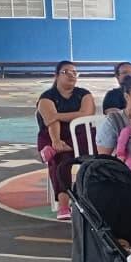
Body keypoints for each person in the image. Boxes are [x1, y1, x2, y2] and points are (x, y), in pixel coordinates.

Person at [36, 60, 95, 220]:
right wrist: (56, 141)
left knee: (96, 137)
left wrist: (57, 115)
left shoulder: (84, 94)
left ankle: (56, 150)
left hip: (79, 137)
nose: (72, 75)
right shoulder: (46, 98)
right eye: (66, 72)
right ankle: (63, 205)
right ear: (55, 76)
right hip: (51, 136)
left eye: (75, 72)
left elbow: (86, 113)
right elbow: (51, 121)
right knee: (60, 159)